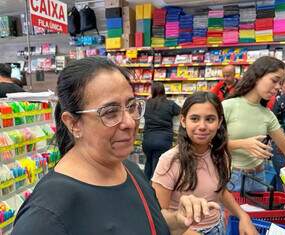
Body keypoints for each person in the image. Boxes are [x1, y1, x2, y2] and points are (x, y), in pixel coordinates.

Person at [12, 57, 220, 235]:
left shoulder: (129, 170)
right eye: (110, 112)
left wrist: (178, 219)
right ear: (74, 123)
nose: (129, 122)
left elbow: (148, 225)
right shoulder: (46, 214)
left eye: (131, 106)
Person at [152, 92, 258, 235]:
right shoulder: (170, 161)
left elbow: (220, 191)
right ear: (183, 121)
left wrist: (243, 215)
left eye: (210, 119)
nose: (202, 126)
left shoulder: (220, 155)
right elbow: (159, 215)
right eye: (194, 118)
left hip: (218, 226)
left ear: (219, 122)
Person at [222, 56, 285, 192]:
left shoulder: (268, 115)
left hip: (259, 178)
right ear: (257, 75)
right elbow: (210, 144)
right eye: (275, 80)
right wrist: (243, 144)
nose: (278, 87)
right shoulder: (227, 106)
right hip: (232, 178)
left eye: (281, 83)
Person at [143, 82, 181, 180]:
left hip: (147, 140)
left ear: (152, 92)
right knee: (158, 168)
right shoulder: (170, 104)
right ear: (163, 91)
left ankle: (145, 188)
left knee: (148, 163)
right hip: (163, 140)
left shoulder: (147, 103)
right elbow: (181, 111)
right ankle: (154, 191)